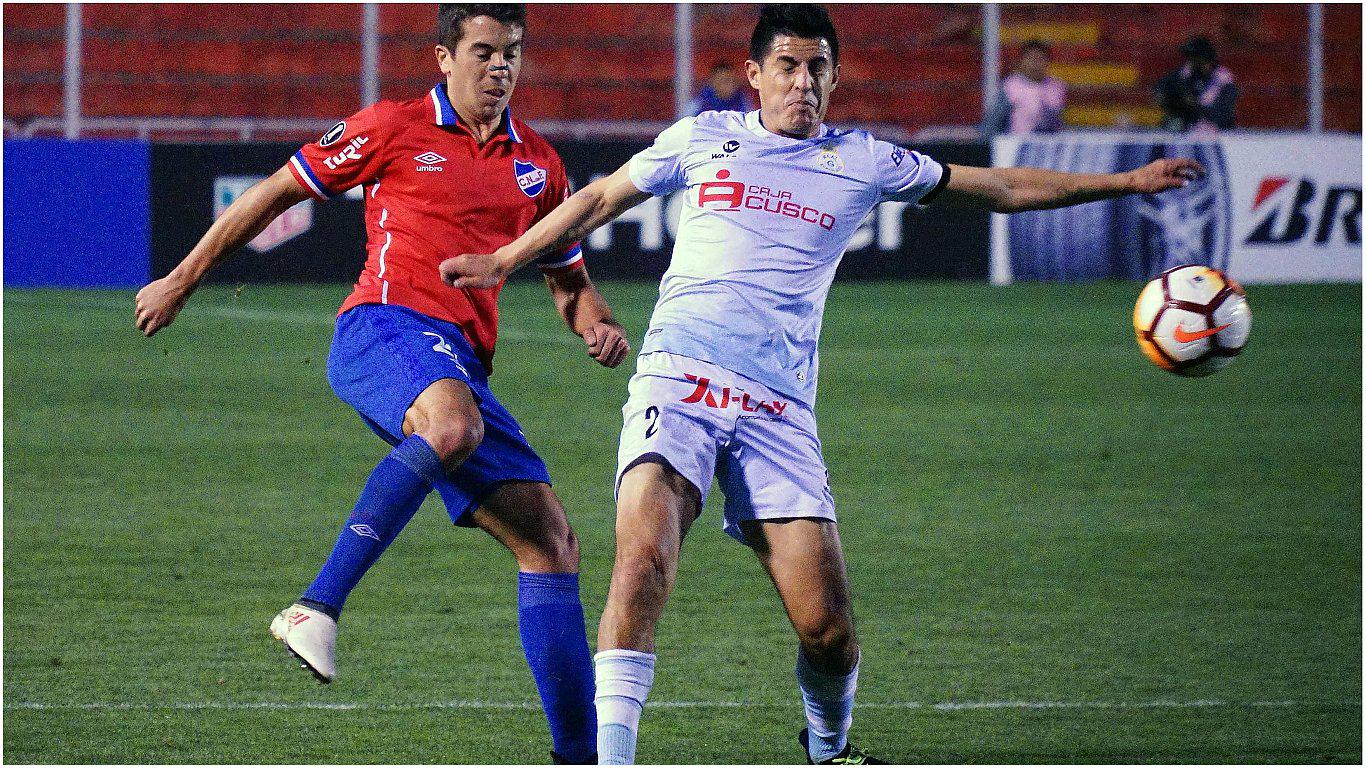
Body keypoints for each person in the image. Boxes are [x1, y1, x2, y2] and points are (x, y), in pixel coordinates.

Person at [440, 5, 1204, 764]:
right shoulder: (705, 138)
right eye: (786, 67)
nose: (801, 83)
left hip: (778, 409)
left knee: (828, 632)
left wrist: (1126, 180)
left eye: (816, 69)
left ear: (834, 79)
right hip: (678, 381)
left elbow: (999, 185)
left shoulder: (863, 161)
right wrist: (506, 263)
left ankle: (829, 750)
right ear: (754, 76)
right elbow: (599, 200)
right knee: (642, 566)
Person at [134, 4, 627, 763]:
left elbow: (569, 281)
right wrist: (182, 278)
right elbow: (274, 193)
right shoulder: (392, 127)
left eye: (512, 54)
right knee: (452, 427)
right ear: (443, 57)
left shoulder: (541, 164)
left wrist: (594, 320)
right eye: (485, 52)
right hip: (383, 328)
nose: (501, 68)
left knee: (552, 543)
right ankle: (316, 606)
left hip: (458, 365)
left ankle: (579, 759)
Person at [980, 38, 1067, 137]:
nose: (1035, 64)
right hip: (1015, 144)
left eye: (1040, 59)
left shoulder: (1056, 87)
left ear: (1047, 62)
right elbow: (995, 121)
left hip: (1045, 144)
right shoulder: (1011, 86)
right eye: (1030, 58)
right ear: (1021, 61)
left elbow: (1056, 122)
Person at [1155, 35, 1237, 133]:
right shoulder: (1187, 73)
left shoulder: (1223, 78)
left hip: (1217, 133)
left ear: (1203, 58)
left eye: (1192, 56)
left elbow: (1222, 114)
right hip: (1189, 130)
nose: (1189, 60)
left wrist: (1193, 104)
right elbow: (1162, 88)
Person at [685, 62, 755, 116]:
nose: (726, 85)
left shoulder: (743, 101)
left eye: (729, 80)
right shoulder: (698, 103)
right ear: (712, 82)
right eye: (721, 80)